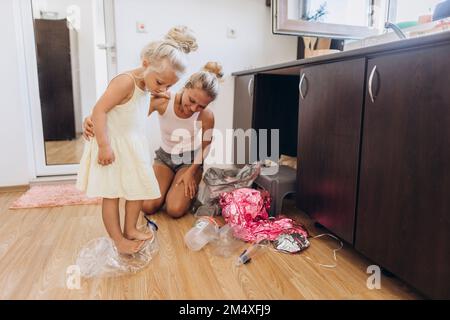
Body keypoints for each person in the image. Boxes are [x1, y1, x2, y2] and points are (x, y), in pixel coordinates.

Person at [77, 26, 198, 254]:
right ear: (145, 63)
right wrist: (103, 145)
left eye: (169, 86)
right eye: (161, 82)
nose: (163, 89)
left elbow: (135, 109)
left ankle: (130, 228)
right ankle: (118, 240)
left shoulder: (149, 85)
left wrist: (158, 91)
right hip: (112, 146)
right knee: (111, 195)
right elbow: (100, 110)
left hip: (133, 146)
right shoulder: (125, 82)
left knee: (137, 189)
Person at [83, 62, 223, 220]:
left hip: (189, 161)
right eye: (191, 100)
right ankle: (170, 188)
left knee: (174, 209)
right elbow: (127, 118)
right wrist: (93, 117)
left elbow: (206, 146)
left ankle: (183, 189)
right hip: (164, 158)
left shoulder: (207, 116)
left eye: (200, 106)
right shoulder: (163, 101)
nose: (193, 108)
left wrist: (191, 172)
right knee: (148, 206)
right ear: (186, 86)